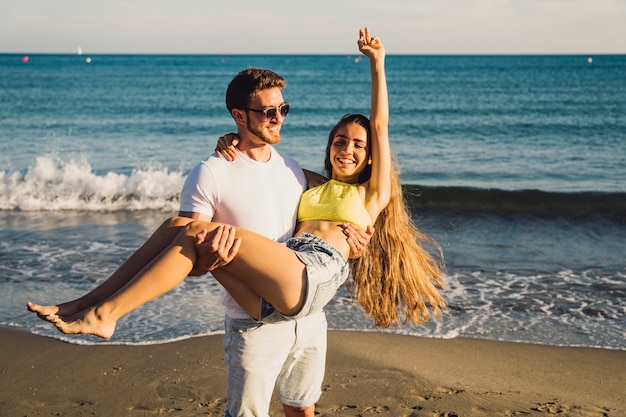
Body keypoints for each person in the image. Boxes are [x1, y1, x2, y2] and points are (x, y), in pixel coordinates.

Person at [28, 27, 446, 415]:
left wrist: (378, 63)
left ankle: (106, 314)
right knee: (181, 228)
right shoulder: (308, 183)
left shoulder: (368, 194)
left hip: (311, 276)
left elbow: (381, 124)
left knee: (193, 231)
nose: (348, 149)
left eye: (358, 144)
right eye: (340, 141)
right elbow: (253, 182)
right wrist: (232, 143)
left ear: (372, 156)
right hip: (266, 300)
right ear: (239, 116)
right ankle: (88, 304)